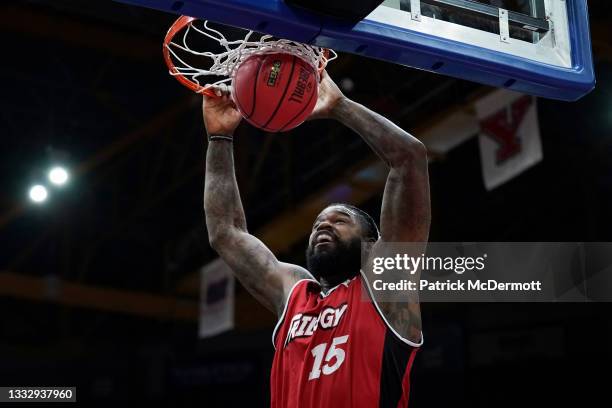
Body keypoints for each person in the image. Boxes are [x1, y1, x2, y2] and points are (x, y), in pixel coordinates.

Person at [203, 71, 430, 407]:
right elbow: (226, 233)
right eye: (318, 225)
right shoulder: (296, 293)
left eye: (340, 221)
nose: (324, 226)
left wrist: (341, 107)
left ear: (373, 243)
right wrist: (219, 139)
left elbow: (409, 158)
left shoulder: (385, 288)